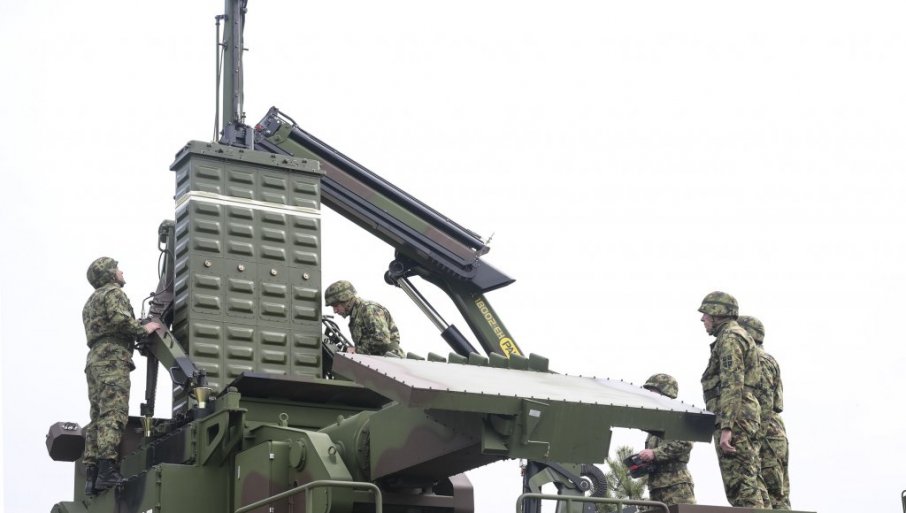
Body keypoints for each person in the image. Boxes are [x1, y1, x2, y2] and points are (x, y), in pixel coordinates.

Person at [82, 257, 160, 494]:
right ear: (109, 274)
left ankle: (92, 475)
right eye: (117, 268)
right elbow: (119, 320)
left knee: (97, 415)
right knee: (113, 412)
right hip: (112, 358)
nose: (121, 271)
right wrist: (143, 329)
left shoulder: (90, 302)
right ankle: (107, 469)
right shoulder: (113, 293)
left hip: (95, 360)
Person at [698, 291, 766, 508]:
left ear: (717, 313)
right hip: (741, 415)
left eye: (706, 314)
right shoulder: (735, 336)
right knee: (750, 481)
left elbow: (732, 382)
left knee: (741, 487)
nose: (703, 319)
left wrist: (727, 426)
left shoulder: (730, 339)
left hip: (735, 418)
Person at [738, 315, 791, 510]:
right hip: (767, 428)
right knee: (772, 493)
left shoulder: (758, 359)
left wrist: (756, 438)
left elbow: (766, 403)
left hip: (765, 429)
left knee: (772, 493)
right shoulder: (764, 358)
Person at [638, 373, 696, 505]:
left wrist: (654, 453)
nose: (648, 394)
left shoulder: (680, 416)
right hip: (656, 487)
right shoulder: (657, 421)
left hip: (676, 485)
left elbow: (685, 443)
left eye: (652, 390)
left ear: (665, 392)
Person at [324, 280, 405, 357]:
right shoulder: (356, 315)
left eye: (336, 306)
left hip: (389, 361)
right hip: (378, 361)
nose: (335, 311)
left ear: (345, 300)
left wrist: (356, 351)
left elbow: (381, 341)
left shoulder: (369, 310)